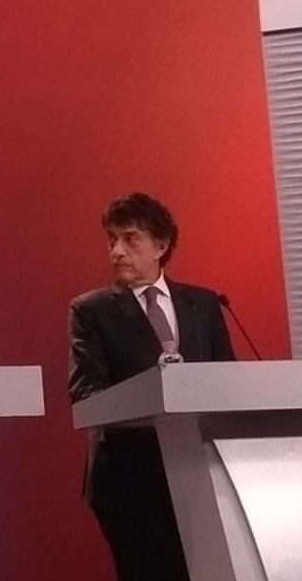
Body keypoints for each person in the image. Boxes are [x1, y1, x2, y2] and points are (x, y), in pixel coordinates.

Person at [68, 192, 235, 581]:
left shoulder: (204, 303)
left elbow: (227, 379)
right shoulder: (91, 310)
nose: (117, 251)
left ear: (160, 246)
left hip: (199, 467)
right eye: (111, 240)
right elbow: (85, 392)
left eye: (130, 239)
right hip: (128, 476)